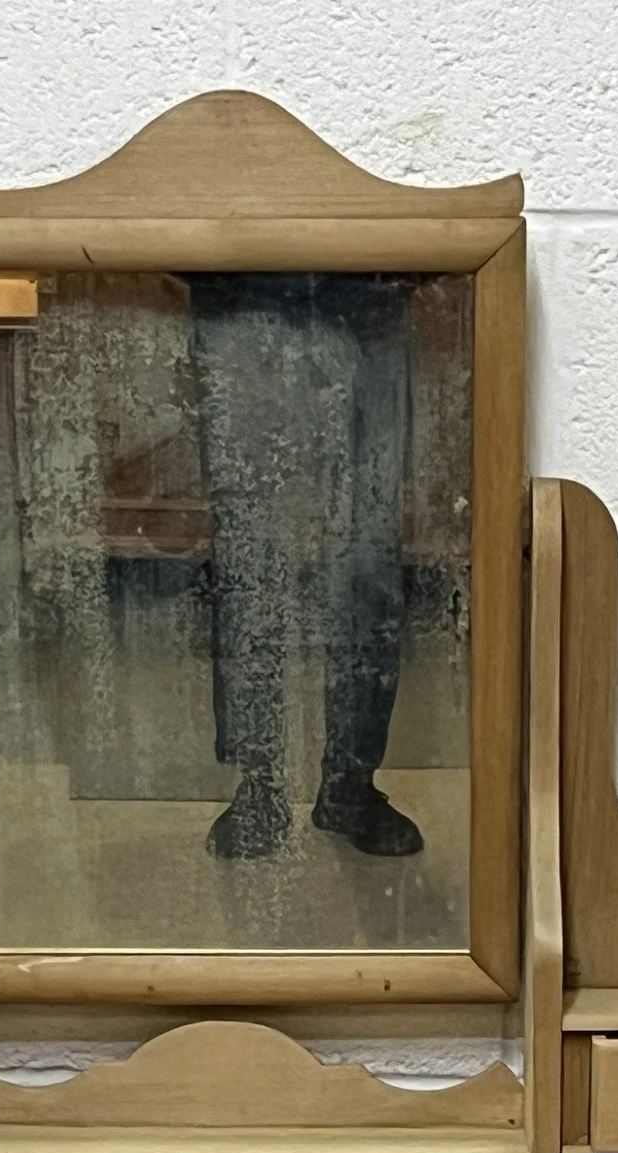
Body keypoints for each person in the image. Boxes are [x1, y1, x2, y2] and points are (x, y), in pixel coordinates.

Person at [188, 272, 423, 860]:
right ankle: (260, 785)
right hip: (240, 288)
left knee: (368, 559)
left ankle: (348, 783)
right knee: (249, 559)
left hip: (371, 293)